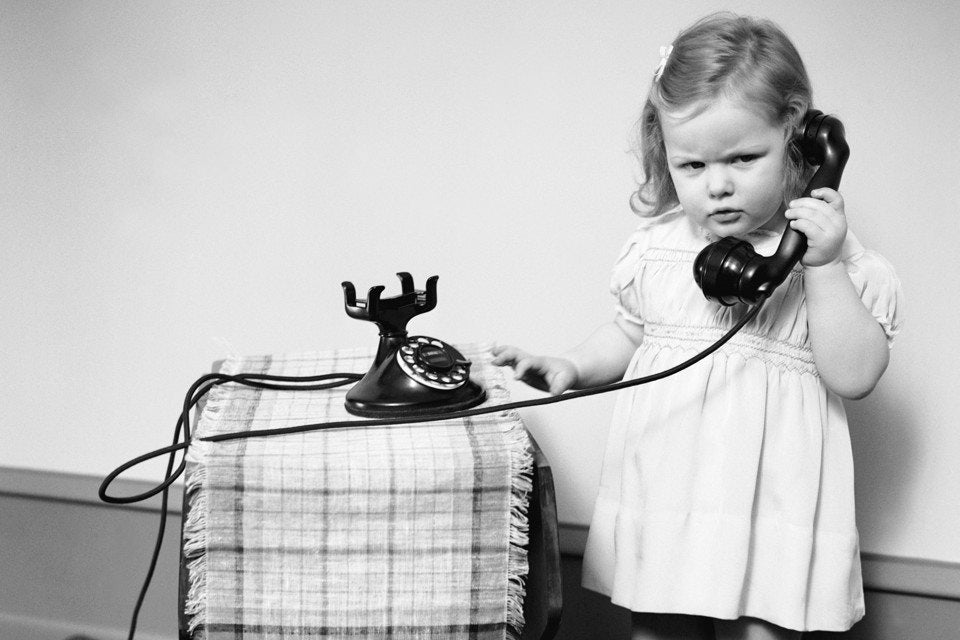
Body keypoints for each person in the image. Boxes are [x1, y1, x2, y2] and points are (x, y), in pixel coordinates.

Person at [492, 12, 903, 640]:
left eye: (744, 157)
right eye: (692, 165)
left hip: (772, 500)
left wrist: (820, 267)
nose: (718, 185)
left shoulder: (835, 262)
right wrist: (571, 365)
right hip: (672, 490)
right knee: (661, 625)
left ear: (801, 141)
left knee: (768, 626)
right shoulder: (660, 247)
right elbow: (631, 333)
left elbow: (855, 376)